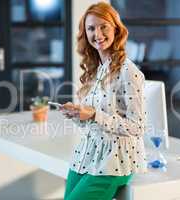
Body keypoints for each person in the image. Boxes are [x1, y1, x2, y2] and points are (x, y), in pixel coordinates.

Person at [61, 2, 147, 200]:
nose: (97, 34)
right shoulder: (95, 69)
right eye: (91, 28)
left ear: (116, 29)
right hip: (87, 154)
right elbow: (93, 122)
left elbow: (138, 126)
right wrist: (77, 114)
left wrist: (93, 114)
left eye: (103, 26)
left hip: (115, 160)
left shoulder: (129, 71)